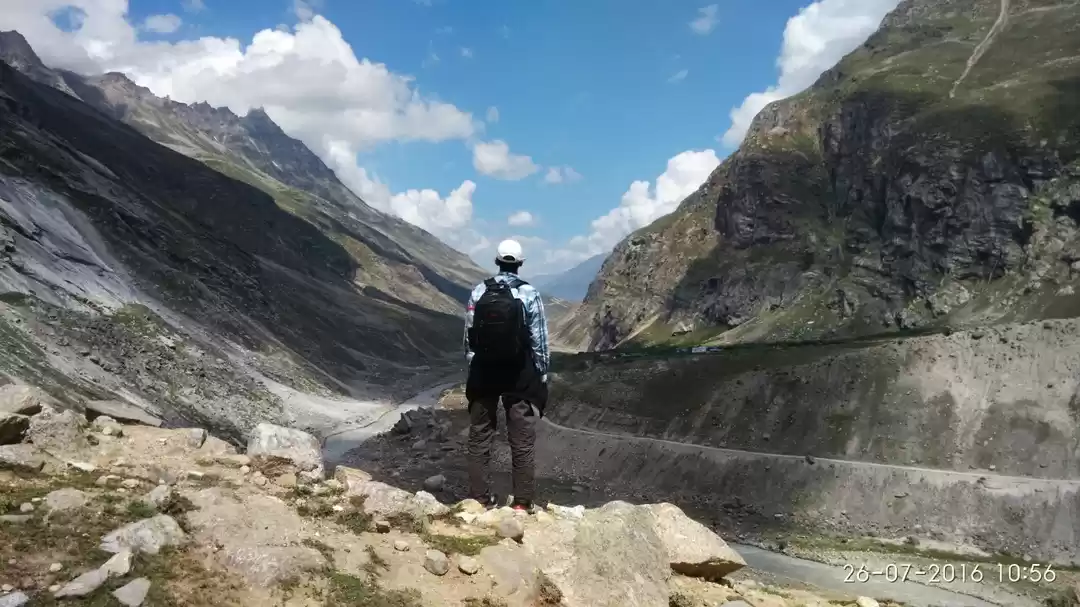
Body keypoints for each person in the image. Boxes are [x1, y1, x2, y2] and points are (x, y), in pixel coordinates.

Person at [463, 238, 549, 512]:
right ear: (520, 264)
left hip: (484, 370)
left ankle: (479, 500)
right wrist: (541, 373)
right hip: (518, 372)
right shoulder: (530, 294)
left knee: (480, 437)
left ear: (497, 261)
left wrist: (474, 365)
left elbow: (468, 336)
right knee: (521, 441)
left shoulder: (478, 291)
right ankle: (522, 504)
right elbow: (539, 339)